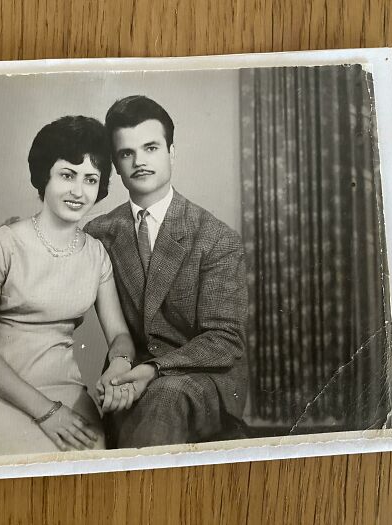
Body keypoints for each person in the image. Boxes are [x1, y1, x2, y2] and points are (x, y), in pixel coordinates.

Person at [0, 116, 136, 457]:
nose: (78, 191)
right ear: (44, 176)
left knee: (87, 477)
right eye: (67, 175)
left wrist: (121, 362)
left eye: (90, 179)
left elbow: (119, 334)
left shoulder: (96, 254)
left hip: (63, 388)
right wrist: (47, 413)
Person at [85, 95, 249, 448]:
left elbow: (225, 340)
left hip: (202, 377)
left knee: (164, 398)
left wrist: (152, 370)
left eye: (151, 148)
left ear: (171, 151)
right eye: (126, 153)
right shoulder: (100, 232)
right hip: (126, 371)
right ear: (115, 164)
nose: (139, 161)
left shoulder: (216, 237)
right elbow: (54, 279)